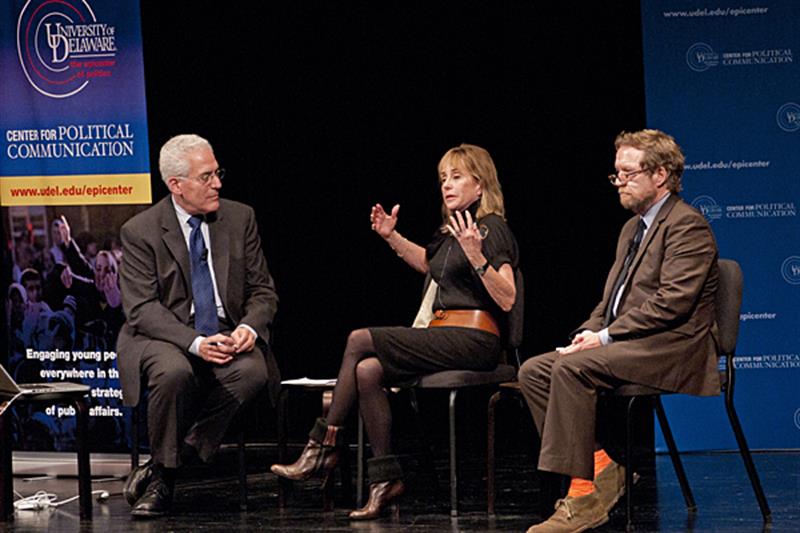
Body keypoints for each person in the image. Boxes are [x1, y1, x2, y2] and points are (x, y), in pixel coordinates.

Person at [270, 143, 519, 519]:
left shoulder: (491, 229)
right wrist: (391, 236)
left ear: (480, 185)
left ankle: (323, 445)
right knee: (368, 370)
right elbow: (428, 264)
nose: (446, 186)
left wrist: (478, 257)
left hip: (476, 339)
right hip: (444, 336)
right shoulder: (450, 230)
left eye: (456, 177)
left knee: (359, 338)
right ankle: (385, 480)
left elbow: (507, 297)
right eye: (442, 179)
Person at [518, 129, 719, 533]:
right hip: (631, 342)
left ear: (660, 175)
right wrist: (589, 331)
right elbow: (611, 300)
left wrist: (605, 338)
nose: (619, 183)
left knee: (571, 370)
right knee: (535, 371)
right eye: (616, 175)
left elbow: (672, 304)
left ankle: (583, 498)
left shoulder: (687, 226)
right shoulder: (632, 229)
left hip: (671, 346)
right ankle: (604, 469)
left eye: (627, 173)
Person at [117, 134, 280, 518]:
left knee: (253, 370)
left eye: (217, 173)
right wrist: (195, 343)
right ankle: (164, 485)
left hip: (225, 329)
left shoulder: (240, 218)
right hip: (166, 334)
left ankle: (170, 462)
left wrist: (248, 329)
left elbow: (263, 292)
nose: (218, 184)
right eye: (206, 177)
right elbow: (141, 309)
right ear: (176, 185)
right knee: (173, 372)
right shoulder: (139, 231)